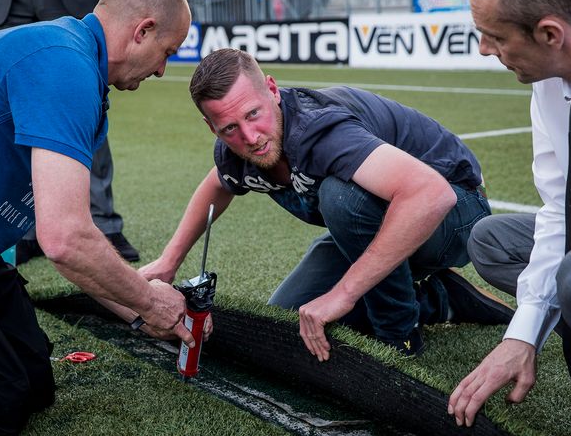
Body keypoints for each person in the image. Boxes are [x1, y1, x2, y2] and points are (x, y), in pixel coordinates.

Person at [0, 0, 193, 434]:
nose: (162, 69)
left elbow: (73, 243)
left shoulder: (74, 60)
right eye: (166, 52)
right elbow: (64, 239)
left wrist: (140, 313)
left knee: (33, 382)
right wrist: (148, 301)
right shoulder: (64, 64)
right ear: (141, 30)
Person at [139, 48, 514, 363]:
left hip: (458, 212)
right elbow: (218, 183)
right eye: (230, 128)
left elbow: (432, 195)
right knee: (287, 320)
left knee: (342, 197)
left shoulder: (320, 129)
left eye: (254, 114)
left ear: (272, 90)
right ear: (213, 129)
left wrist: (344, 294)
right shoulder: (236, 150)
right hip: (381, 222)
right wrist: (169, 261)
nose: (250, 137)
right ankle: (437, 299)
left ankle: (399, 331)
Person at [447, 0, 571, 430]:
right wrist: (522, 335)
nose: (483, 49)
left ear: (550, 34)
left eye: (495, 36)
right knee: (491, 242)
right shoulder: (549, 79)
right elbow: (561, 209)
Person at [0, 0, 140, 264]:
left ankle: (101, 223)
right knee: (10, 118)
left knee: (82, 103)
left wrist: (124, 0)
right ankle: (23, 231)